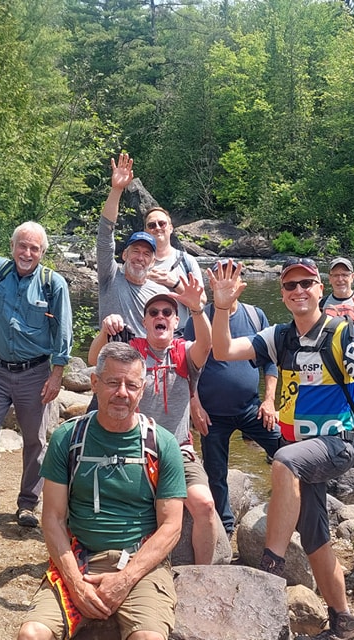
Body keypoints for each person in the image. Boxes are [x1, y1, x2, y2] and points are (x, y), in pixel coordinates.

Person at [209, 258, 354, 640]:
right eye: (290, 285)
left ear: (318, 288)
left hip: (339, 443)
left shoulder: (342, 333)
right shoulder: (279, 337)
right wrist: (223, 308)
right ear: (282, 293)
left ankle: (269, 567)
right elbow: (224, 349)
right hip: (300, 448)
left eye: (306, 284)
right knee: (315, 539)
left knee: (282, 460)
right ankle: (344, 621)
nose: (298, 291)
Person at [17, 342, 187, 640]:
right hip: (80, 557)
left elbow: (172, 525)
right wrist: (74, 583)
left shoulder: (161, 444)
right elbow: (53, 519)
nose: (122, 392)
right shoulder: (67, 438)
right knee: (32, 634)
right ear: (95, 383)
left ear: (142, 389)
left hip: (140, 563)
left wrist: (125, 579)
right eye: (113, 382)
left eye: (131, 385)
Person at [0, 221, 73, 531]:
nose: (27, 252)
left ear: (43, 252)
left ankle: (28, 504)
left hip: (35, 373)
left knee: (35, 440)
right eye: (22, 245)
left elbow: (63, 330)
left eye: (34, 248)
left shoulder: (52, 283)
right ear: (12, 246)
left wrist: (57, 373)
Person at [88, 284, 219, 564]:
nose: (160, 315)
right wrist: (104, 331)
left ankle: (204, 577)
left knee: (205, 505)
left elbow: (207, 344)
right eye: (153, 312)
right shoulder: (132, 351)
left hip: (178, 450)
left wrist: (197, 309)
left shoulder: (185, 352)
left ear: (175, 321)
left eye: (167, 312)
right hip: (134, 448)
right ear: (145, 321)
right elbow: (93, 360)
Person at [181, 259, 281, 536]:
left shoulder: (255, 315)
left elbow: (270, 362)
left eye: (232, 276)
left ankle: (285, 509)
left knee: (285, 452)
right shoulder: (199, 319)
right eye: (219, 276)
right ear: (211, 284)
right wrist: (194, 403)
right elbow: (186, 364)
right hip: (212, 413)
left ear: (241, 282)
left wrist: (269, 400)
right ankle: (224, 530)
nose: (226, 282)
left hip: (252, 408)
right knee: (216, 474)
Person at [98, 153, 176, 338]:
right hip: (113, 361)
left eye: (147, 254)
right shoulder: (110, 277)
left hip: (145, 364)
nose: (140, 257)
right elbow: (104, 236)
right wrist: (116, 190)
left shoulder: (160, 294)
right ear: (124, 254)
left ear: (153, 261)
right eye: (136, 251)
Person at [141, 205, 204, 326]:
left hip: (180, 336)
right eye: (152, 225)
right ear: (146, 231)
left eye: (162, 223)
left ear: (170, 228)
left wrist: (176, 284)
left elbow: (201, 301)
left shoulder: (187, 261)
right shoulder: (137, 262)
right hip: (144, 335)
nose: (157, 228)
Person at [320, 257, 354, 325]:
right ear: (330, 279)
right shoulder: (321, 304)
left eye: (344, 275)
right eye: (336, 275)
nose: (340, 279)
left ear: (352, 277)